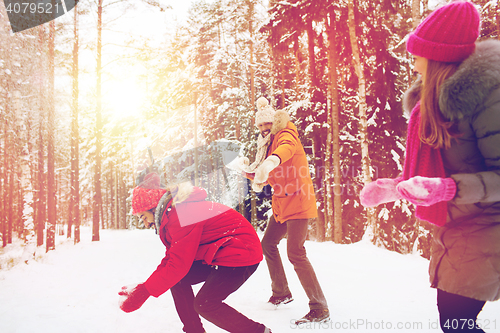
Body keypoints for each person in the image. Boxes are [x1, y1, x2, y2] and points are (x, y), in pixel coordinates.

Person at [360, 1, 500, 332]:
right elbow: (441, 170)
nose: (414, 60)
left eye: (419, 52)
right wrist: (396, 187)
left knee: (456, 324)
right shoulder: (432, 105)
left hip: (487, 227)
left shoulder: (487, 100)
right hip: (458, 227)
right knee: (454, 322)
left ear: (438, 56)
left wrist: (448, 189)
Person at [118, 173, 271, 333]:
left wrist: (145, 291)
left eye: (143, 217)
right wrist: (144, 288)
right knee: (176, 280)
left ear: (153, 207)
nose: (146, 223)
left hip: (240, 253)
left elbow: (178, 265)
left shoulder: (182, 213)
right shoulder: (172, 214)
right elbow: (173, 258)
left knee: (205, 303)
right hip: (222, 252)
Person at [239, 97, 329, 324]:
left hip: (298, 201)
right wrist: (251, 172)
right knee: (268, 244)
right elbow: (270, 175)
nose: (263, 129)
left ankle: (319, 308)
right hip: (282, 204)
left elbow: (286, 150)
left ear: (274, 122)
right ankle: (281, 292)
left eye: (266, 124)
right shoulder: (268, 145)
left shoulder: (285, 134)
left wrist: (270, 161)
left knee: (296, 253)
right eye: (259, 126)